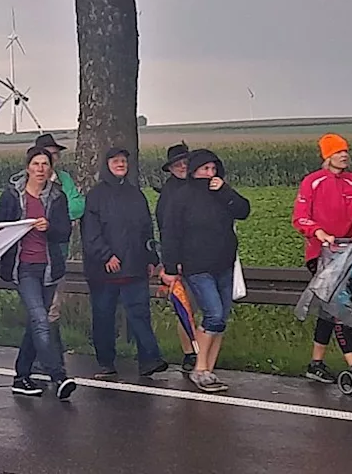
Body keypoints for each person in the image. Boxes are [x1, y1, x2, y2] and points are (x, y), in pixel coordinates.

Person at [161, 149, 251, 393]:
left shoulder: (221, 193)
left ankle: (208, 370)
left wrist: (225, 190)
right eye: (205, 169)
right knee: (213, 314)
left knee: (221, 319)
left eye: (213, 169)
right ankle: (199, 368)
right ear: (194, 171)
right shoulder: (182, 197)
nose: (209, 174)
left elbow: (243, 210)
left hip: (224, 263)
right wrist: (169, 266)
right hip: (197, 266)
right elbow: (170, 233)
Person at [0, 147, 76, 401]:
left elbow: (64, 232)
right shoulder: (12, 196)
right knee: (41, 319)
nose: (41, 168)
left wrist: (49, 227)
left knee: (35, 324)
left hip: (49, 267)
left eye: (45, 164)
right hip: (24, 267)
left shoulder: (57, 197)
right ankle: (58, 376)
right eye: (36, 163)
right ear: (28, 167)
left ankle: (21, 377)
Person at [292, 133, 352, 383]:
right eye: (338, 151)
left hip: (349, 253)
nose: (344, 155)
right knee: (339, 306)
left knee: (330, 308)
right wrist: (319, 233)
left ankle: (316, 363)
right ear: (327, 156)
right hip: (322, 253)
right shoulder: (313, 182)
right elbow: (300, 217)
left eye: (346, 150)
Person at [82, 148, 167, 379]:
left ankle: (150, 359)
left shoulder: (135, 194)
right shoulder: (96, 195)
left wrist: (152, 258)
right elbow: (90, 232)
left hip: (135, 266)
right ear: (106, 165)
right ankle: (106, 362)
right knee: (104, 317)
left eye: (123, 160)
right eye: (115, 161)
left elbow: (146, 228)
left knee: (139, 314)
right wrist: (105, 255)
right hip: (104, 270)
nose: (121, 164)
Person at [29, 134, 83, 360]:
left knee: (52, 306)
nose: (51, 158)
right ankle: (47, 357)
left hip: (56, 252)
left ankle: (49, 356)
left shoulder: (63, 179)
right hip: (31, 254)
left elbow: (78, 204)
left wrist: (57, 220)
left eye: (54, 154)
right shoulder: (24, 182)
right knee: (39, 308)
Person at [155, 142, 198, 372]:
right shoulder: (169, 195)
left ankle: (200, 351)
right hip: (179, 262)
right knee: (185, 307)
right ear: (170, 169)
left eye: (185, 162)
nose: (182, 167)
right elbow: (166, 231)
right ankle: (189, 353)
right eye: (177, 164)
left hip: (202, 257)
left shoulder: (199, 186)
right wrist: (171, 262)